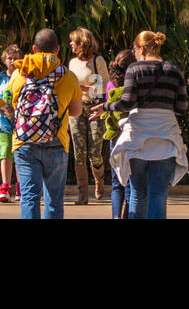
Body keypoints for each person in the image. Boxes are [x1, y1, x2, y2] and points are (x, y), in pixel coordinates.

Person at [110, 30, 189, 220]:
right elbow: (182, 107)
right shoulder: (174, 70)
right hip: (166, 140)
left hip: (138, 139)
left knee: (138, 194)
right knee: (158, 195)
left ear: (142, 48)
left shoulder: (134, 70)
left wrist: (106, 106)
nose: (134, 53)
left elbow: (127, 103)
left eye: (135, 49)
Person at [8, 28, 82, 220]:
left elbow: (11, 103)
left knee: (29, 198)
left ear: (34, 49)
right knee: (54, 199)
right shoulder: (68, 76)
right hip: (57, 141)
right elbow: (76, 111)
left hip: (24, 142)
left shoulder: (19, 74)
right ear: (57, 50)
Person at [67, 26, 110, 204]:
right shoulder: (72, 63)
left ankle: (99, 180)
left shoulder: (97, 61)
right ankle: (82, 193)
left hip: (95, 107)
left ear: (82, 43)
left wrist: (82, 87)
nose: (71, 44)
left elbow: (105, 87)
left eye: (74, 42)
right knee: (78, 151)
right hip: (77, 107)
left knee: (95, 151)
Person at [96, 48, 135, 219]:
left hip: (115, 138)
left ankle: (115, 216)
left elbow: (108, 109)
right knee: (131, 183)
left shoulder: (111, 85)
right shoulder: (134, 85)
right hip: (132, 136)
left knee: (116, 182)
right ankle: (127, 215)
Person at [0, 43, 21, 203]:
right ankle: (5, 188)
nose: (13, 61)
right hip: (2, 123)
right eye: (10, 58)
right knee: (5, 154)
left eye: (16, 58)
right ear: (4, 60)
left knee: (20, 155)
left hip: (21, 123)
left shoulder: (24, 77)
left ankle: (20, 188)